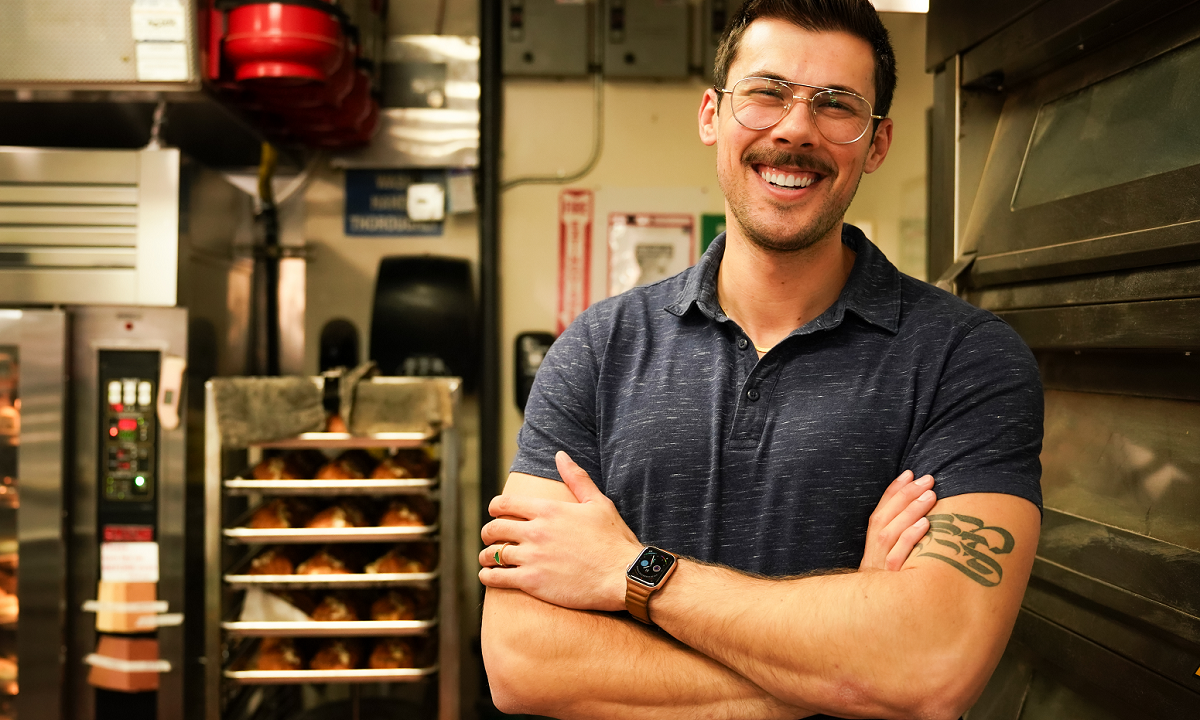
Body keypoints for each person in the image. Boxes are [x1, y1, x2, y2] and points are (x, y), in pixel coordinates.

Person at [478, 1, 1044, 718]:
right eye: (767, 94)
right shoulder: (595, 350)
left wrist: (629, 572)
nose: (796, 128)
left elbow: (930, 665)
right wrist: (845, 665)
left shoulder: (967, 361)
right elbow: (523, 664)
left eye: (837, 105)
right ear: (712, 114)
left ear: (877, 143)